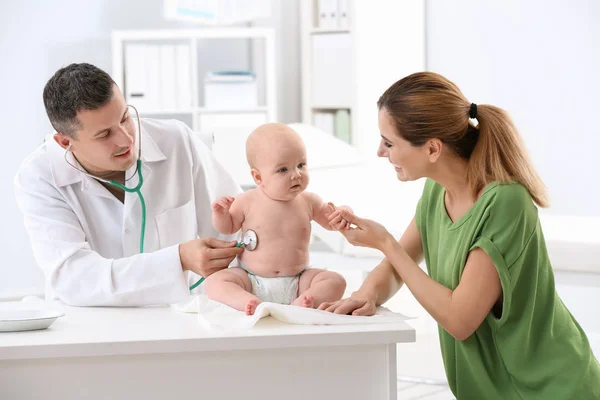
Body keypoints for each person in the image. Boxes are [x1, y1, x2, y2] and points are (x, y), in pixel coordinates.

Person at [319, 72, 600, 398]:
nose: (381, 152)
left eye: (390, 142)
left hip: (550, 388)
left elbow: (459, 318)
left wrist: (385, 242)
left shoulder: (504, 202)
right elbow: (401, 262)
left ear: (433, 149)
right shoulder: (436, 192)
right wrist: (367, 293)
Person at [14, 63, 244, 307]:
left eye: (125, 118)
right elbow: (75, 278)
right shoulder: (38, 177)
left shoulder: (177, 141)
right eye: (104, 135)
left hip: (180, 319)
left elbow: (238, 226)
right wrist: (178, 259)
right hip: (90, 327)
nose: (126, 139)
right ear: (64, 142)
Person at [205, 123, 349, 315]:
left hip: (298, 281)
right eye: (283, 170)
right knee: (215, 282)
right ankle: (246, 300)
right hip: (251, 279)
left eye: (301, 165)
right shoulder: (246, 201)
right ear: (258, 177)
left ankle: (303, 303)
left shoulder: (309, 201)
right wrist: (220, 214)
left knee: (336, 281)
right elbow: (228, 228)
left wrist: (342, 213)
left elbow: (331, 222)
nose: (296, 174)